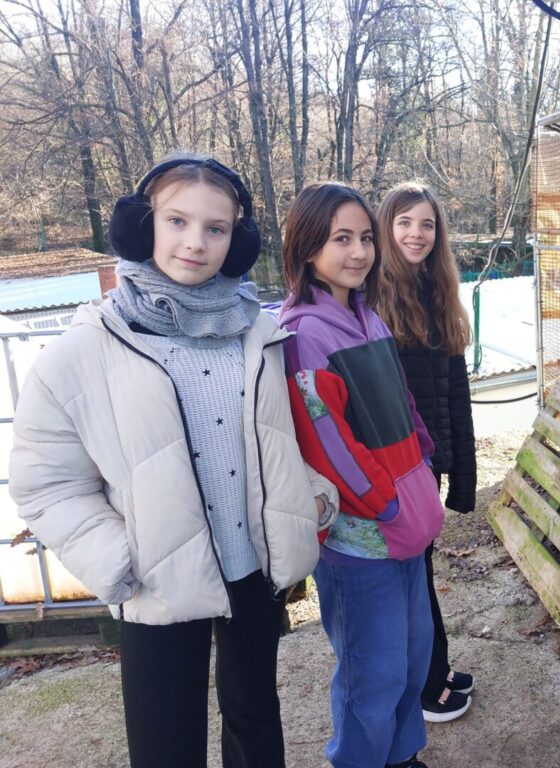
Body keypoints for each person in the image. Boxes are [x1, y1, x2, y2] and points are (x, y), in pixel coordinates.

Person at [8, 153, 338, 768]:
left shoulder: (258, 335)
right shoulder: (83, 350)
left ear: (237, 242)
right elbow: (45, 483)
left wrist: (309, 497)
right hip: (155, 580)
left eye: (216, 228)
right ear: (142, 226)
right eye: (177, 221)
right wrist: (119, 559)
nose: (195, 242)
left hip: (254, 570)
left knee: (256, 721)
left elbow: (279, 441)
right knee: (165, 745)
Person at [279, 182, 444, 768]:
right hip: (361, 536)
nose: (359, 252)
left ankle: (401, 756)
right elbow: (327, 440)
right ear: (307, 248)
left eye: (366, 238)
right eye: (340, 239)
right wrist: (386, 502)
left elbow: (403, 402)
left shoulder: (368, 317)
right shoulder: (304, 334)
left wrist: (423, 462)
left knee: (413, 657)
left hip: (405, 519)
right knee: (371, 672)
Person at [369, 181, 477, 723]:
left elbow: (454, 390)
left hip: (426, 466)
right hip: (394, 468)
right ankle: (425, 685)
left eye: (427, 224)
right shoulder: (373, 297)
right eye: (405, 222)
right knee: (409, 578)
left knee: (422, 570)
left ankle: (434, 669)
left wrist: (462, 473)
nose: (417, 234)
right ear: (386, 228)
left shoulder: (436, 292)